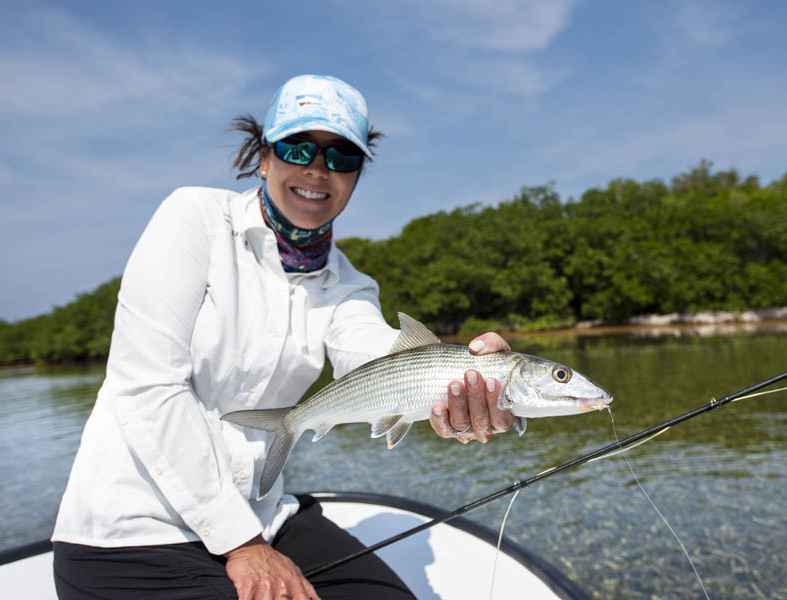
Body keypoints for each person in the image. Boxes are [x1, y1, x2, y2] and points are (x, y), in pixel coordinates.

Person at [51, 74, 514, 600]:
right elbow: (146, 388)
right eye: (298, 148)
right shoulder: (194, 219)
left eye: (342, 157)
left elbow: (371, 352)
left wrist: (453, 381)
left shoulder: (350, 284)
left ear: (357, 175)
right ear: (265, 157)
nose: (318, 169)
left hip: (263, 516)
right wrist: (243, 546)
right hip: (132, 529)